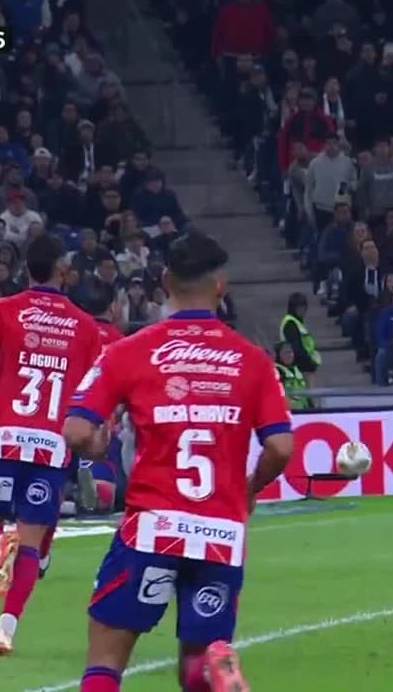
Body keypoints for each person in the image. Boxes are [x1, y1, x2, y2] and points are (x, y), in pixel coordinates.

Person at [63, 230, 295, 692]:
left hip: (154, 527)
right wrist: (249, 489)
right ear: (221, 285)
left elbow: (76, 431)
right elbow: (281, 448)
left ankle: (204, 670)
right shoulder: (252, 360)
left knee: (105, 660)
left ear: (166, 281)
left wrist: (97, 447)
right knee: (196, 660)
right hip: (220, 533)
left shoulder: (128, 351)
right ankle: (209, 671)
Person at [0, 234, 105, 656]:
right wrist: (96, 435)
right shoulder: (85, 326)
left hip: (5, 438)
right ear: (64, 272)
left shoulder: (2, 309)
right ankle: (6, 629)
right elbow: (96, 389)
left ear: (26, 268)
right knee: (32, 540)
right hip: (52, 445)